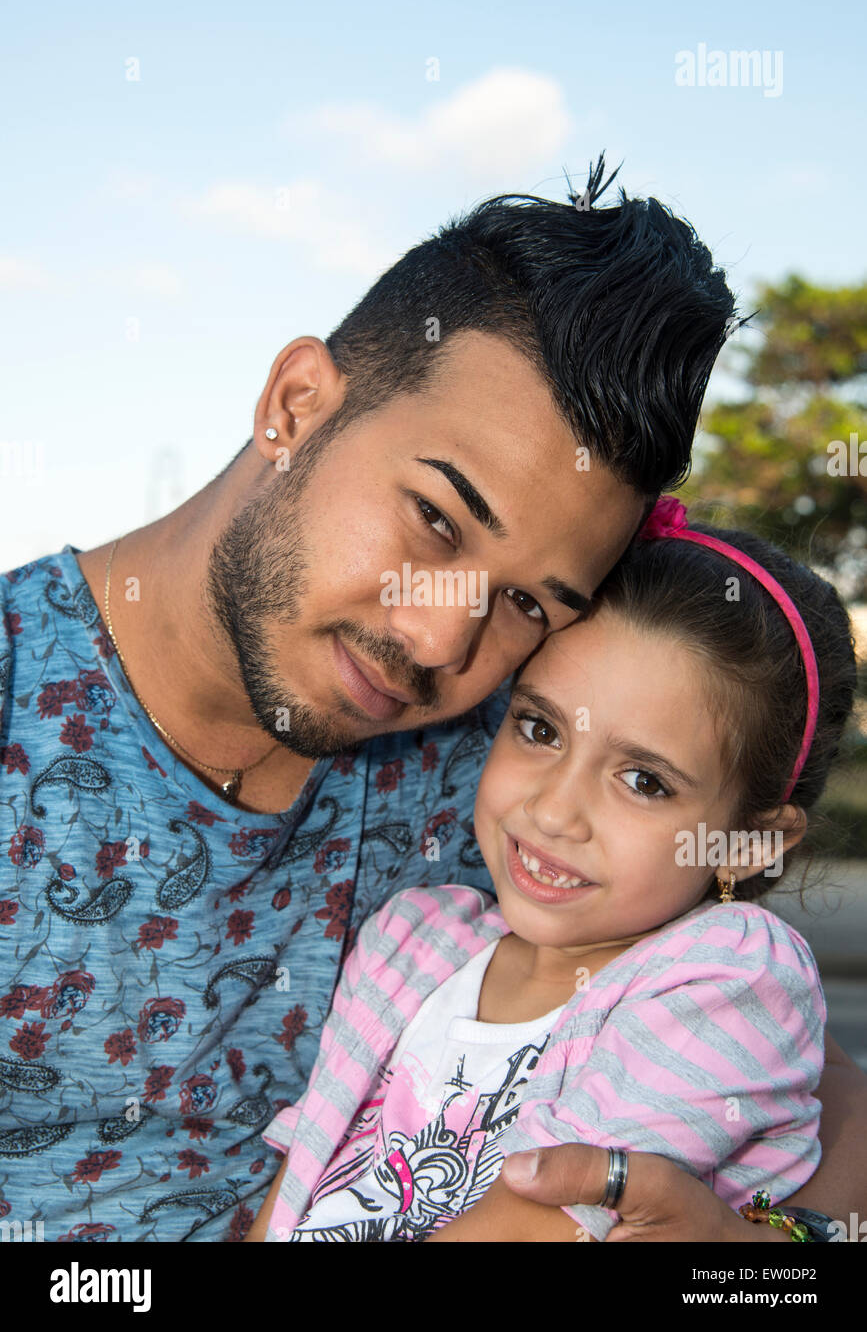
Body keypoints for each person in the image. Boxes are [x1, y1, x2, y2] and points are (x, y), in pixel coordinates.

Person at [1, 164, 864, 1242]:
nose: (439, 642)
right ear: (295, 405)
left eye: (523, 604)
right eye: (437, 522)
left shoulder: (505, 761)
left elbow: (822, 1101)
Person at [245, 502, 856, 1241]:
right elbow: (294, 1191)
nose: (554, 811)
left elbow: (534, 1228)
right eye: (539, 730)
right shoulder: (413, 941)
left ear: (748, 844)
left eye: (644, 782)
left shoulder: (726, 978)